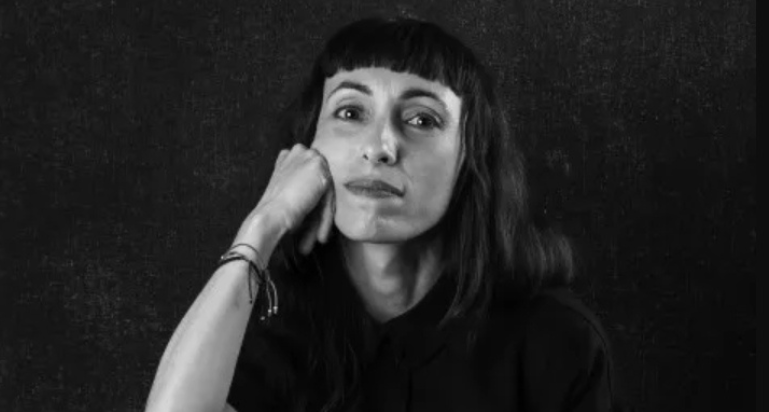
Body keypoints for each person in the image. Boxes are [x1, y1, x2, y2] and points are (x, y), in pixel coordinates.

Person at [145, 16, 617, 412]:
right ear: (310, 145)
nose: (380, 147)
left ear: (470, 158)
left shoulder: (555, 342)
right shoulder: (262, 330)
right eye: (351, 113)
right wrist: (263, 225)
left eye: (422, 119)